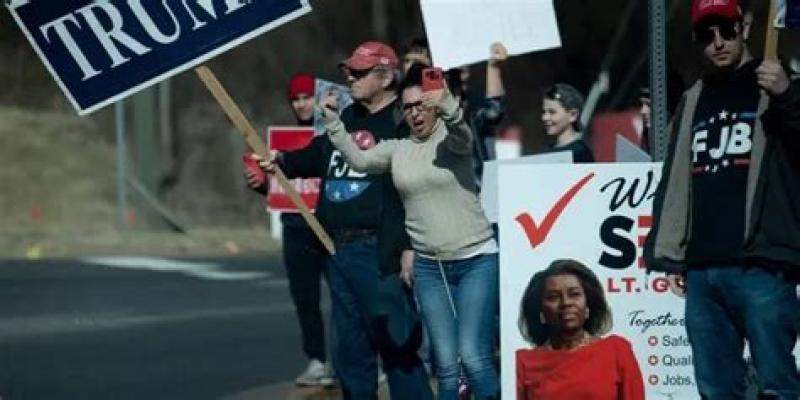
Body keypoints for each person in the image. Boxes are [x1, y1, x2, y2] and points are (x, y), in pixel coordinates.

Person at [256, 41, 432, 400]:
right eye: (348, 70)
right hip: (337, 249)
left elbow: (418, 185)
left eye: (360, 71)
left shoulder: (403, 119)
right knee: (351, 353)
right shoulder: (347, 117)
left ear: (385, 77)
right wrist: (281, 162)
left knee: (396, 345)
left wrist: (409, 246)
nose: (349, 77)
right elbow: (318, 155)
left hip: (381, 248)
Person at [643, 0, 800, 398]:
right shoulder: (696, 96)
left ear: (744, 26)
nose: (717, 42)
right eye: (705, 35)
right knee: (715, 390)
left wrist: (786, 95)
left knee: (777, 386)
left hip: (761, 265)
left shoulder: (775, 82)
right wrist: (674, 251)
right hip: (702, 269)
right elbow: (677, 179)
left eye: (726, 30)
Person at [321, 63, 499, 400]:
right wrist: (332, 122)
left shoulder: (453, 140)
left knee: (473, 358)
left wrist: (445, 101)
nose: (416, 113)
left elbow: (462, 130)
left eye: (422, 105)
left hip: (475, 258)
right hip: (430, 266)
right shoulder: (398, 148)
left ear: (433, 105)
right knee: (446, 366)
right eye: (409, 107)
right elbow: (360, 160)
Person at [242, 73, 333, 387]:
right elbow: (277, 186)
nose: (302, 104)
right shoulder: (283, 141)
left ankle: (363, 357)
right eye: (295, 99)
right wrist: (260, 184)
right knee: (304, 298)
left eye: (307, 97)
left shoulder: (334, 134)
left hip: (331, 226)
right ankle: (317, 360)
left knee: (348, 296)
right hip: (295, 227)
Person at [516, 259, 644, 400]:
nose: (566, 303)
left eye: (574, 294)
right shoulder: (524, 362)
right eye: (553, 297)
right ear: (541, 312)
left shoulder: (616, 351)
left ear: (588, 305)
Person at [540, 83, 595, 162]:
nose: (544, 117)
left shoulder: (580, 153)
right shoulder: (546, 151)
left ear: (573, 115)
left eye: (552, 112)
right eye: (544, 112)